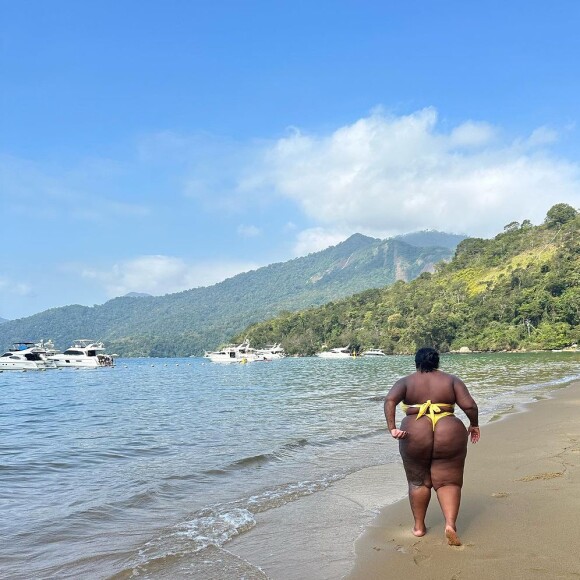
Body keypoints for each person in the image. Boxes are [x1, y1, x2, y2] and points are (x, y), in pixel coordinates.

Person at [384, 347, 480, 546]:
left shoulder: (406, 381)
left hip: (414, 431)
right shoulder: (451, 380)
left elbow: (389, 400)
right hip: (449, 429)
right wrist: (474, 424)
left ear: (416, 363)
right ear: (437, 362)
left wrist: (392, 428)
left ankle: (419, 528)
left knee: (417, 482)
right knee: (449, 481)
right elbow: (469, 405)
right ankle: (450, 525)